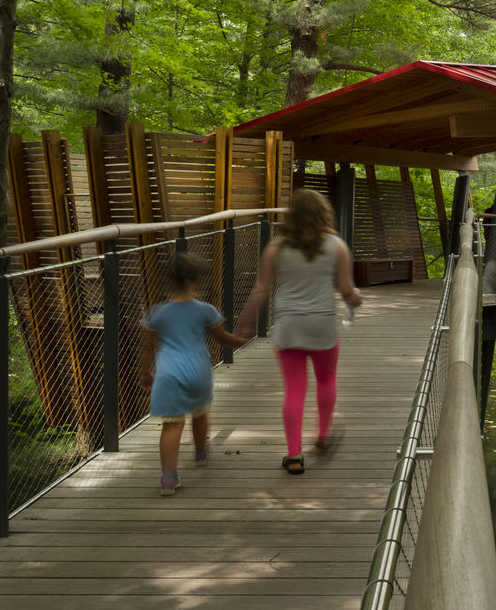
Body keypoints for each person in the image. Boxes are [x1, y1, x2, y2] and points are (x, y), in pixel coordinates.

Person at [239, 189, 363, 475]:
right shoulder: (337, 246)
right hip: (322, 324)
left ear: (292, 214)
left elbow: (261, 289)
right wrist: (355, 298)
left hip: (289, 325)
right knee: (327, 379)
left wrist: (245, 321)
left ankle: (294, 456)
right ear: (324, 214)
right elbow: (346, 291)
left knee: (294, 388)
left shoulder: (276, 248)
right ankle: (322, 435)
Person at [139, 253, 248, 496]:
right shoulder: (205, 310)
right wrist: (241, 339)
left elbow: (147, 346)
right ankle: (200, 454)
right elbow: (222, 338)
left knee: (171, 425)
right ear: (197, 280)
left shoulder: (157, 312)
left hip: (168, 374)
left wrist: (145, 372)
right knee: (200, 413)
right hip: (197, 372)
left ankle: (168, 479)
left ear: (168, 281)